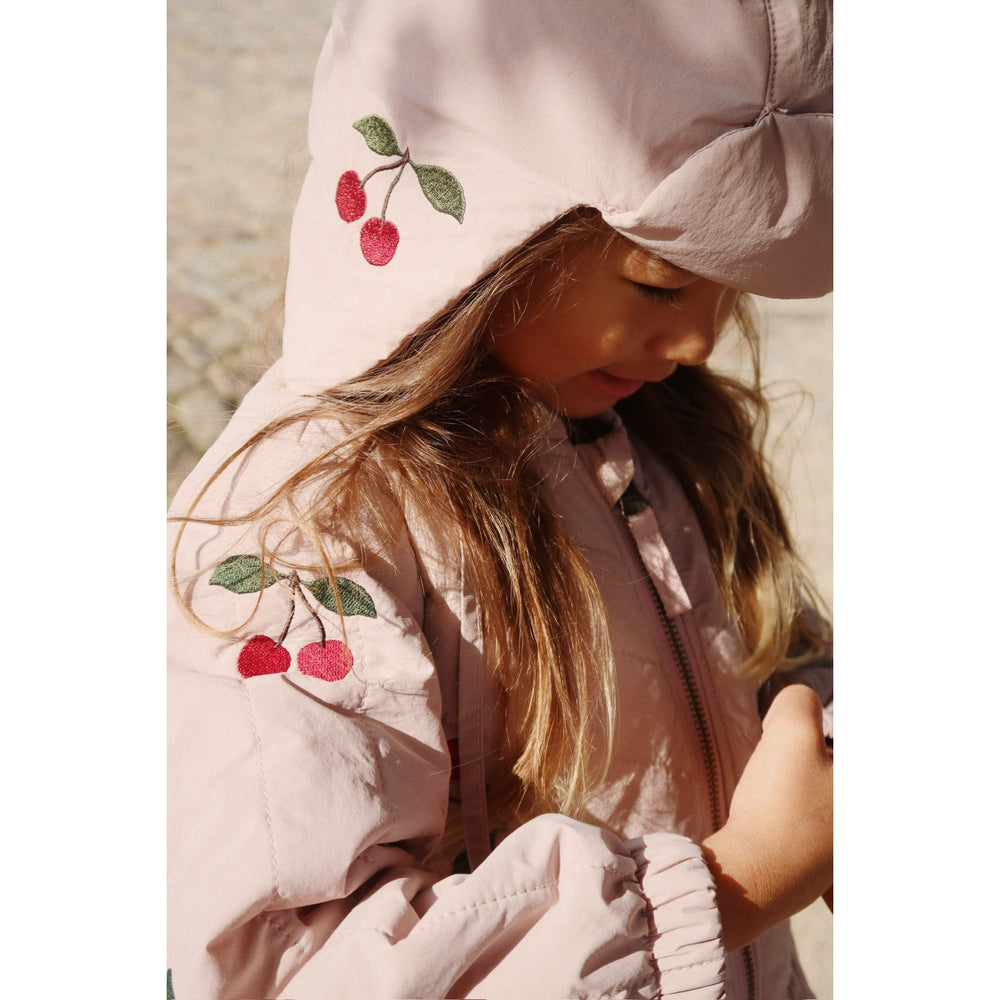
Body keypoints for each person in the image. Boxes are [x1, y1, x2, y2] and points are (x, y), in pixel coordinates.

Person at [167, 1, 833, 997]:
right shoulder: (307, 531)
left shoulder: (664, 430)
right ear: (487, 241)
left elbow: (760, 658)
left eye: (726, 290)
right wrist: (740, 883)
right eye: (660, 287)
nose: (700, 342)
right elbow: (291, 967)